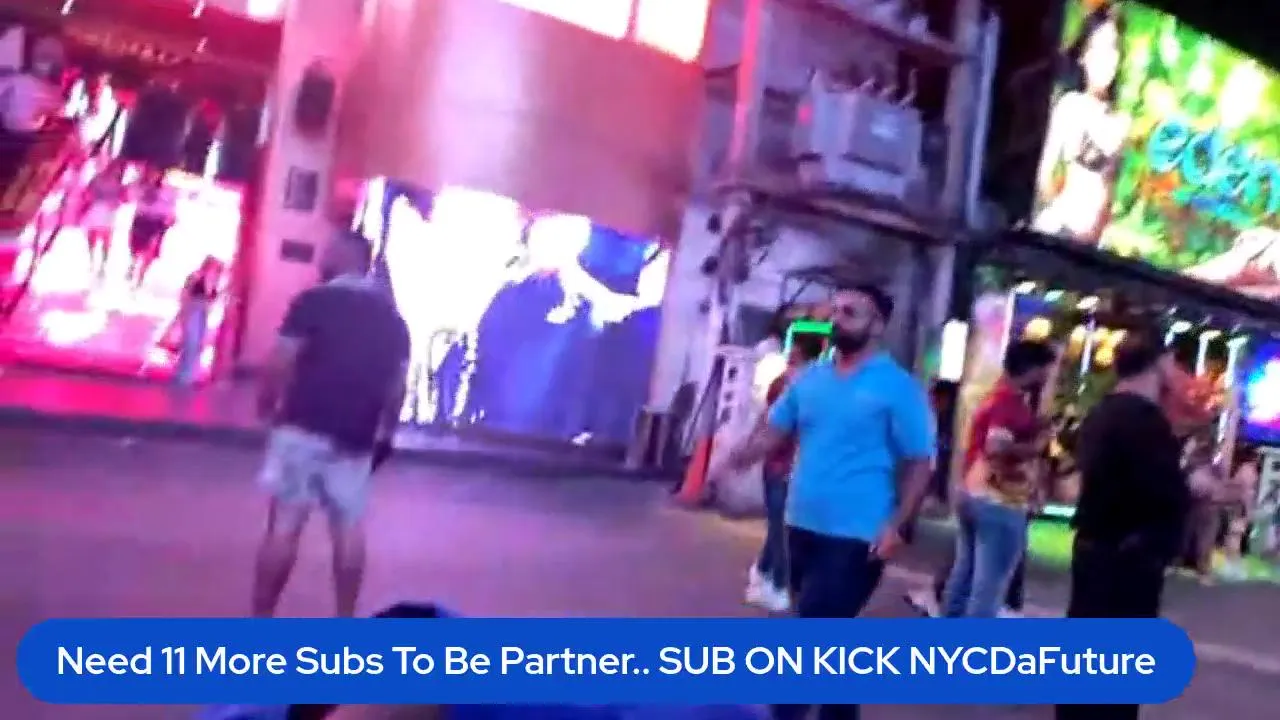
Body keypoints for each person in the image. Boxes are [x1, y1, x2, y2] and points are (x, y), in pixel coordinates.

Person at [713, 283, 935, 720]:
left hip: (857, 535)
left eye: (851, 312)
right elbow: (774, 429)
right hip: (801, 524)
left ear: (877, 325)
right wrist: (733, 459)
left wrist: (897, 523)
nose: (837, 319)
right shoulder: (812, 379)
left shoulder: (897, 388)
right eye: (834, 311)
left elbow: (919, 461)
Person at [252, 230, 411, 618]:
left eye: (328, 253)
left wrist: (267, 405)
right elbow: (397, 386)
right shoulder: (393, 320)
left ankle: (261, 620)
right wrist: (386, 433)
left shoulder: (313, 302)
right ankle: (345, 618)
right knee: (349, 527)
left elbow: (282, 359)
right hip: (356, 433)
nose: (322, 259)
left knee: (285, 524)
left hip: (303, 424)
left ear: (344, 257)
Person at [1055, 329, 1188, 720]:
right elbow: (1160, 492)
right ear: (1158, 363)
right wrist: (1190, 488)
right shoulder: (1145, 421)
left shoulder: (1102, 413)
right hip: (1129, 559)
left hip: (1096, 551)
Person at [941, 340, 1056, 618]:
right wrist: (1036, 446)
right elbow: (997, 448)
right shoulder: (1008, 403)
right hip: (998, 500)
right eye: (1045, 370)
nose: (1047, 378)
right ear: (1032, 369)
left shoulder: (994, 396)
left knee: (965, 576)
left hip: (974, 493)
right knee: (989, 587)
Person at [1033, 2, 1128, 244]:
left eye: (1112, 49)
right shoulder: (1070, 106)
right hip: (1059, 231)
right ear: (1084, 56)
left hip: (1093, 242)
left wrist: (1094, 235)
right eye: (1098, 49)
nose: (1106, 59)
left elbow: (1110, 194)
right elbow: (1044, 174)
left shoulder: (1121, 122)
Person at [745, 335, 825, 613]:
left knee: (780, 528)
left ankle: (762, 574)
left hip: (788, 467)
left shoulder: (801, 386)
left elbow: (766, 422)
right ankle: (779, 584)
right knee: (781, 530)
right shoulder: (795, 386)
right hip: (783, 467)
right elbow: (772, 424)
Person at [173, 256, 222, 385]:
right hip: (193, 311)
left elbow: (211, 299)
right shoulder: (196, 276)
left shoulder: (212, 281)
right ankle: (183, 376)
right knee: (190, 343)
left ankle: (188, 375)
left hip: (202, 314)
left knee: (196, 344)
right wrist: (184, 312)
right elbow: (185, 293)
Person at [127, 167, 177, 289]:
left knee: (150, 252)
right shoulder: (141, 186)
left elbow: (171, 206)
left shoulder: (169, 190)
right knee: (136, 247)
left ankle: (140, 279)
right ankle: (133, 264)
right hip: (142, 219)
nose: (153, 175)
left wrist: (171, 217)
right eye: (151, 172)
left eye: (156, 173)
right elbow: (131, 197)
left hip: (158, 222)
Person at [77, 159, 127, 278]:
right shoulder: (97, 179)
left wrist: (116, 203)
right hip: (95, 210)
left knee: (106, 239)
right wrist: (90, 200)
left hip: (108, 213)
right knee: (93, 237)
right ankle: (92, 260)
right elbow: (87, 192)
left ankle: (102, 264)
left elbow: (122, 198)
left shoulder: (118, 183)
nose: (116, 171)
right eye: (114, 169)